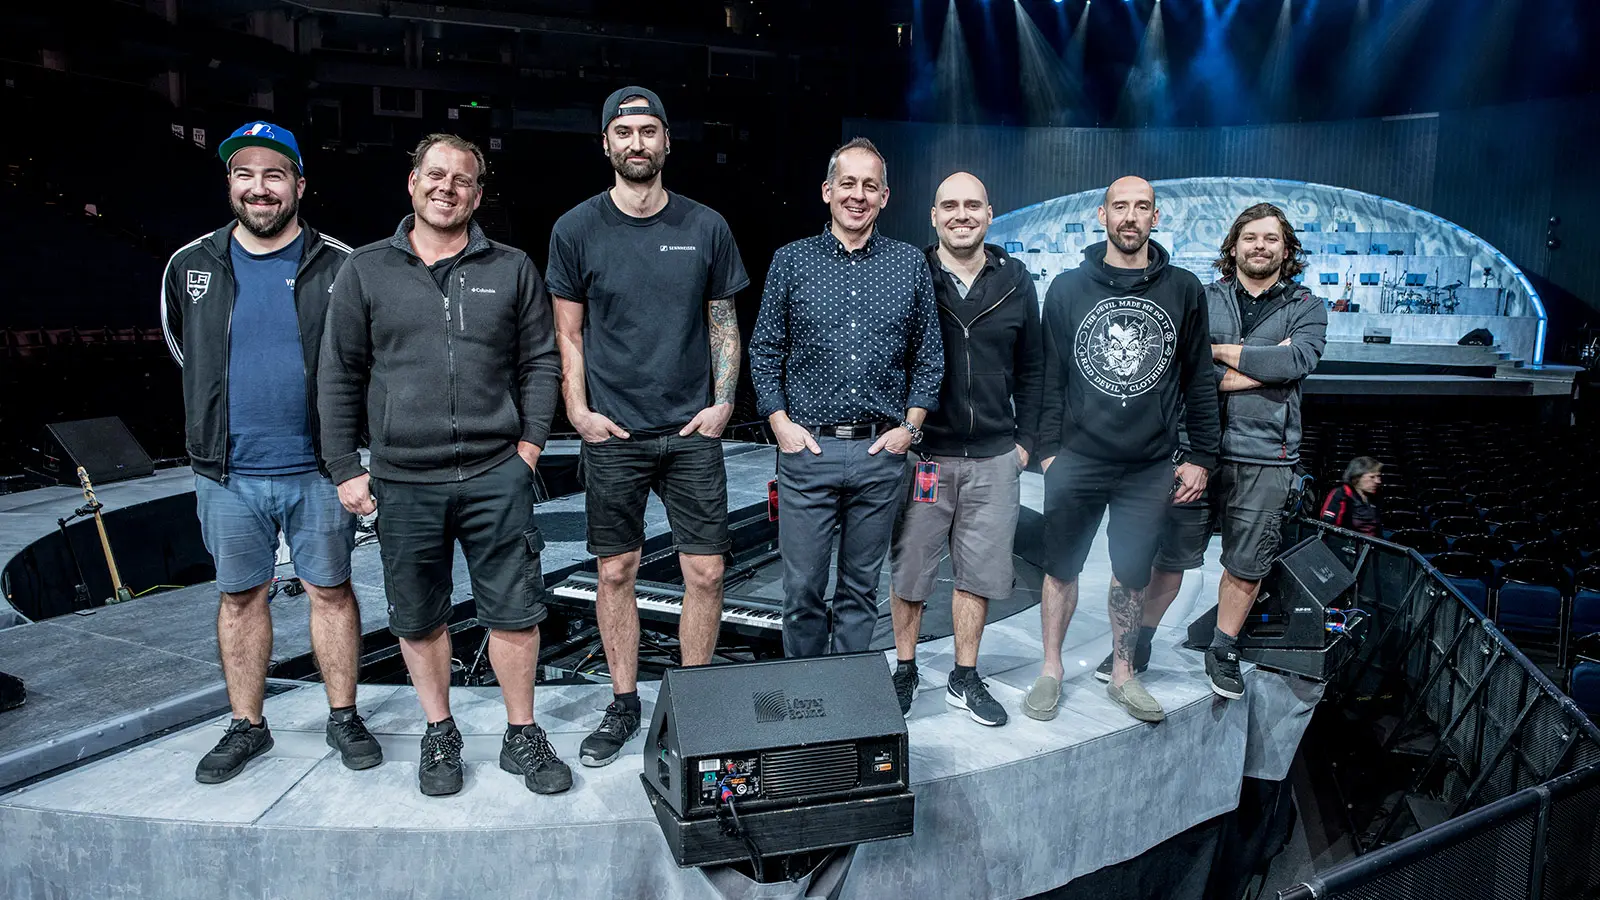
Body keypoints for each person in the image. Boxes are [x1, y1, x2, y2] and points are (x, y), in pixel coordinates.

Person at [319, 134, 570, 797]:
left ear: (477, 194)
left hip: (496, 473)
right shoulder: (366, 269)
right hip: (403, 479)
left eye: (462, 179)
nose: (447, 187)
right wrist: (345, 465)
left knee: (515, 613)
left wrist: (529, 449)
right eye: (435, 175)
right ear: (412, 182)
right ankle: (440, 730)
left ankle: (522, 735)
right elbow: (338, 373)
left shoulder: (512, 267)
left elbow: (541, 361)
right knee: (417, 617)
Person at [160, 121, 381, 785]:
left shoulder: (341, 264)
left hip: (318, 469)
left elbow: (363, 361)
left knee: (331, 592)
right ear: (230, 183)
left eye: (274, 175)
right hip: (226, 472)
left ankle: (343, 715)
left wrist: (348, 452)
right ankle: (246, 725)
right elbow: (181, 346)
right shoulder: (189, 263)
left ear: (299, 186)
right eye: (245, 175)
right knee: (239, 597)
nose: (259, 189)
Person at [548, 87, 749, 768]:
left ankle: (688, 700)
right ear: (607, 143)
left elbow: (724, 323)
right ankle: (625, 700)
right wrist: (576, 411)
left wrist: (724, 401)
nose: (638, 143)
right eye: (625, 132)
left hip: (691, 431)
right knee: (615, 571)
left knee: (707, 570)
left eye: (649, 131)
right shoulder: (576, 229)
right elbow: (567, 334)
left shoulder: (706, 226)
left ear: (667, 142)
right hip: (616, 434)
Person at [1026, 176, 1221, 724]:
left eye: (1141, 207)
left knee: (1131, 574)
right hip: (1077, 460)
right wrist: (1047, 453)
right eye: (1120, 206)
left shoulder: (1183, 289)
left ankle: (1124, 674)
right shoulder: (1066, 288)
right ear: (1102, 214)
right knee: (1060, 568)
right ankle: (1051, 670)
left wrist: (1201, 456)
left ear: (1155, 218)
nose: (1130, 216)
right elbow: (1049, 378)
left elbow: (1198, 380)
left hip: (1147, 466)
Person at [1116, 202, 1328, 701]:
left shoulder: (1307, 306)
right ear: (1233, 246)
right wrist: (1264, 367)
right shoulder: (1200, 296)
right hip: (1192, 450)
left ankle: (1223, 648)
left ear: (1287, 249)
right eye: (1250, 237)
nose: (1260, 246)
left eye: (1271, 238)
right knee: (1169, 560)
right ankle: (1137, 644)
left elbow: (1297, 360)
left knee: (1246, 564)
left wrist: (1213, 354)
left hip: (1265, 457)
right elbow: (1175, 360)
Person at [749, 137, 944, 658]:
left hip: (880, 454)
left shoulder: (908, 264)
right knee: (802, 593)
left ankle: (850, 708)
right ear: (827, 190)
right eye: (848, 183)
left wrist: (910, 429)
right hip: (807, 451)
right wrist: (780, 424)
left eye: (869, 185)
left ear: (885, 196)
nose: (857, 195)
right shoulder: (791, 261)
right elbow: (764, 349)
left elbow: (929, 356)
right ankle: (807, 706)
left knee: (860, 592)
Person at [887, 172, 1042, 725]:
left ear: (989, 212)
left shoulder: (1016, 278)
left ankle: (964, 675)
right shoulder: (909, 273)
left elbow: (1034, 368)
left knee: (977, 575)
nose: (961, 214)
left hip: (995, 458)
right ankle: (905, 668)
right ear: (933, 216)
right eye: (949, 205)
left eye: (972, 204)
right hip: (925, 455)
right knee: (911, 573)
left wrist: (1026, 443)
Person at [1322, 457, 1383, 536]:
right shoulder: (1341, 495)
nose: (1378, 481)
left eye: (1378, 477)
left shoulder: (1374, 497)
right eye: (1372, 477)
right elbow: (1328, 528)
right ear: (1356, 477)